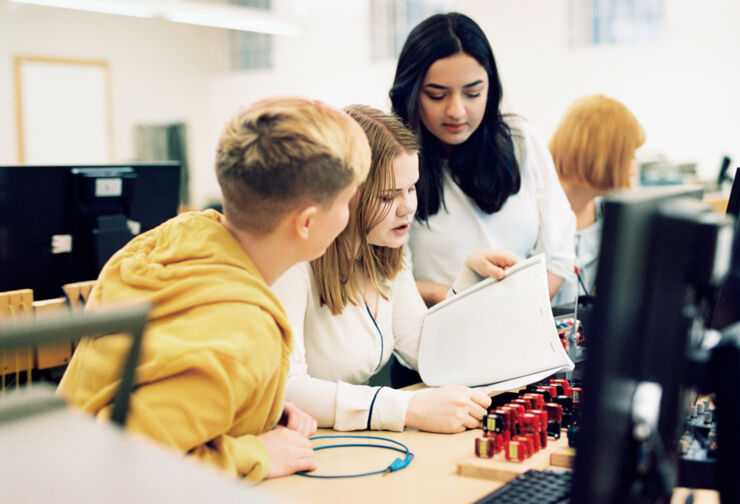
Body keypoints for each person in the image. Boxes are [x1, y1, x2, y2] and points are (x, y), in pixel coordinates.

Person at [57, 97, 372, 481]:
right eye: (346, 201)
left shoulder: (169, 240)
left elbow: (162, 370)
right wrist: (253, 454)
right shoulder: (247, 333)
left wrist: (256, 408)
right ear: (306, 223)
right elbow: (126, 466)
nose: (348, 214)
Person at [272, 105, 519, 433]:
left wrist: (467, 281)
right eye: (388, 196)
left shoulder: (390, 253)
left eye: (412, 188)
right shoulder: (293, 263)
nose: (408, 207)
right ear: (346, 196)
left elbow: (426, 350)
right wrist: (408, 408)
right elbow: (286, 390)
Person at [389, 12, 576, 307]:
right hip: (436, 333)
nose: (457, 111)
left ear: (491, 88)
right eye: (437, 96)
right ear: (411, 94)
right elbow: (381, 283)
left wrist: (519, 309)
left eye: (473, 93)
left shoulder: (520, 139)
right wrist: (448, 294)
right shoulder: (391, 163)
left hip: (525, 321)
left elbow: (559, 252)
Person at [549, 94, 646, 305]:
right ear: (601, 155)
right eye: (628, 156)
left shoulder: (608, 215)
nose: (632, 169)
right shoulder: (534, 212)